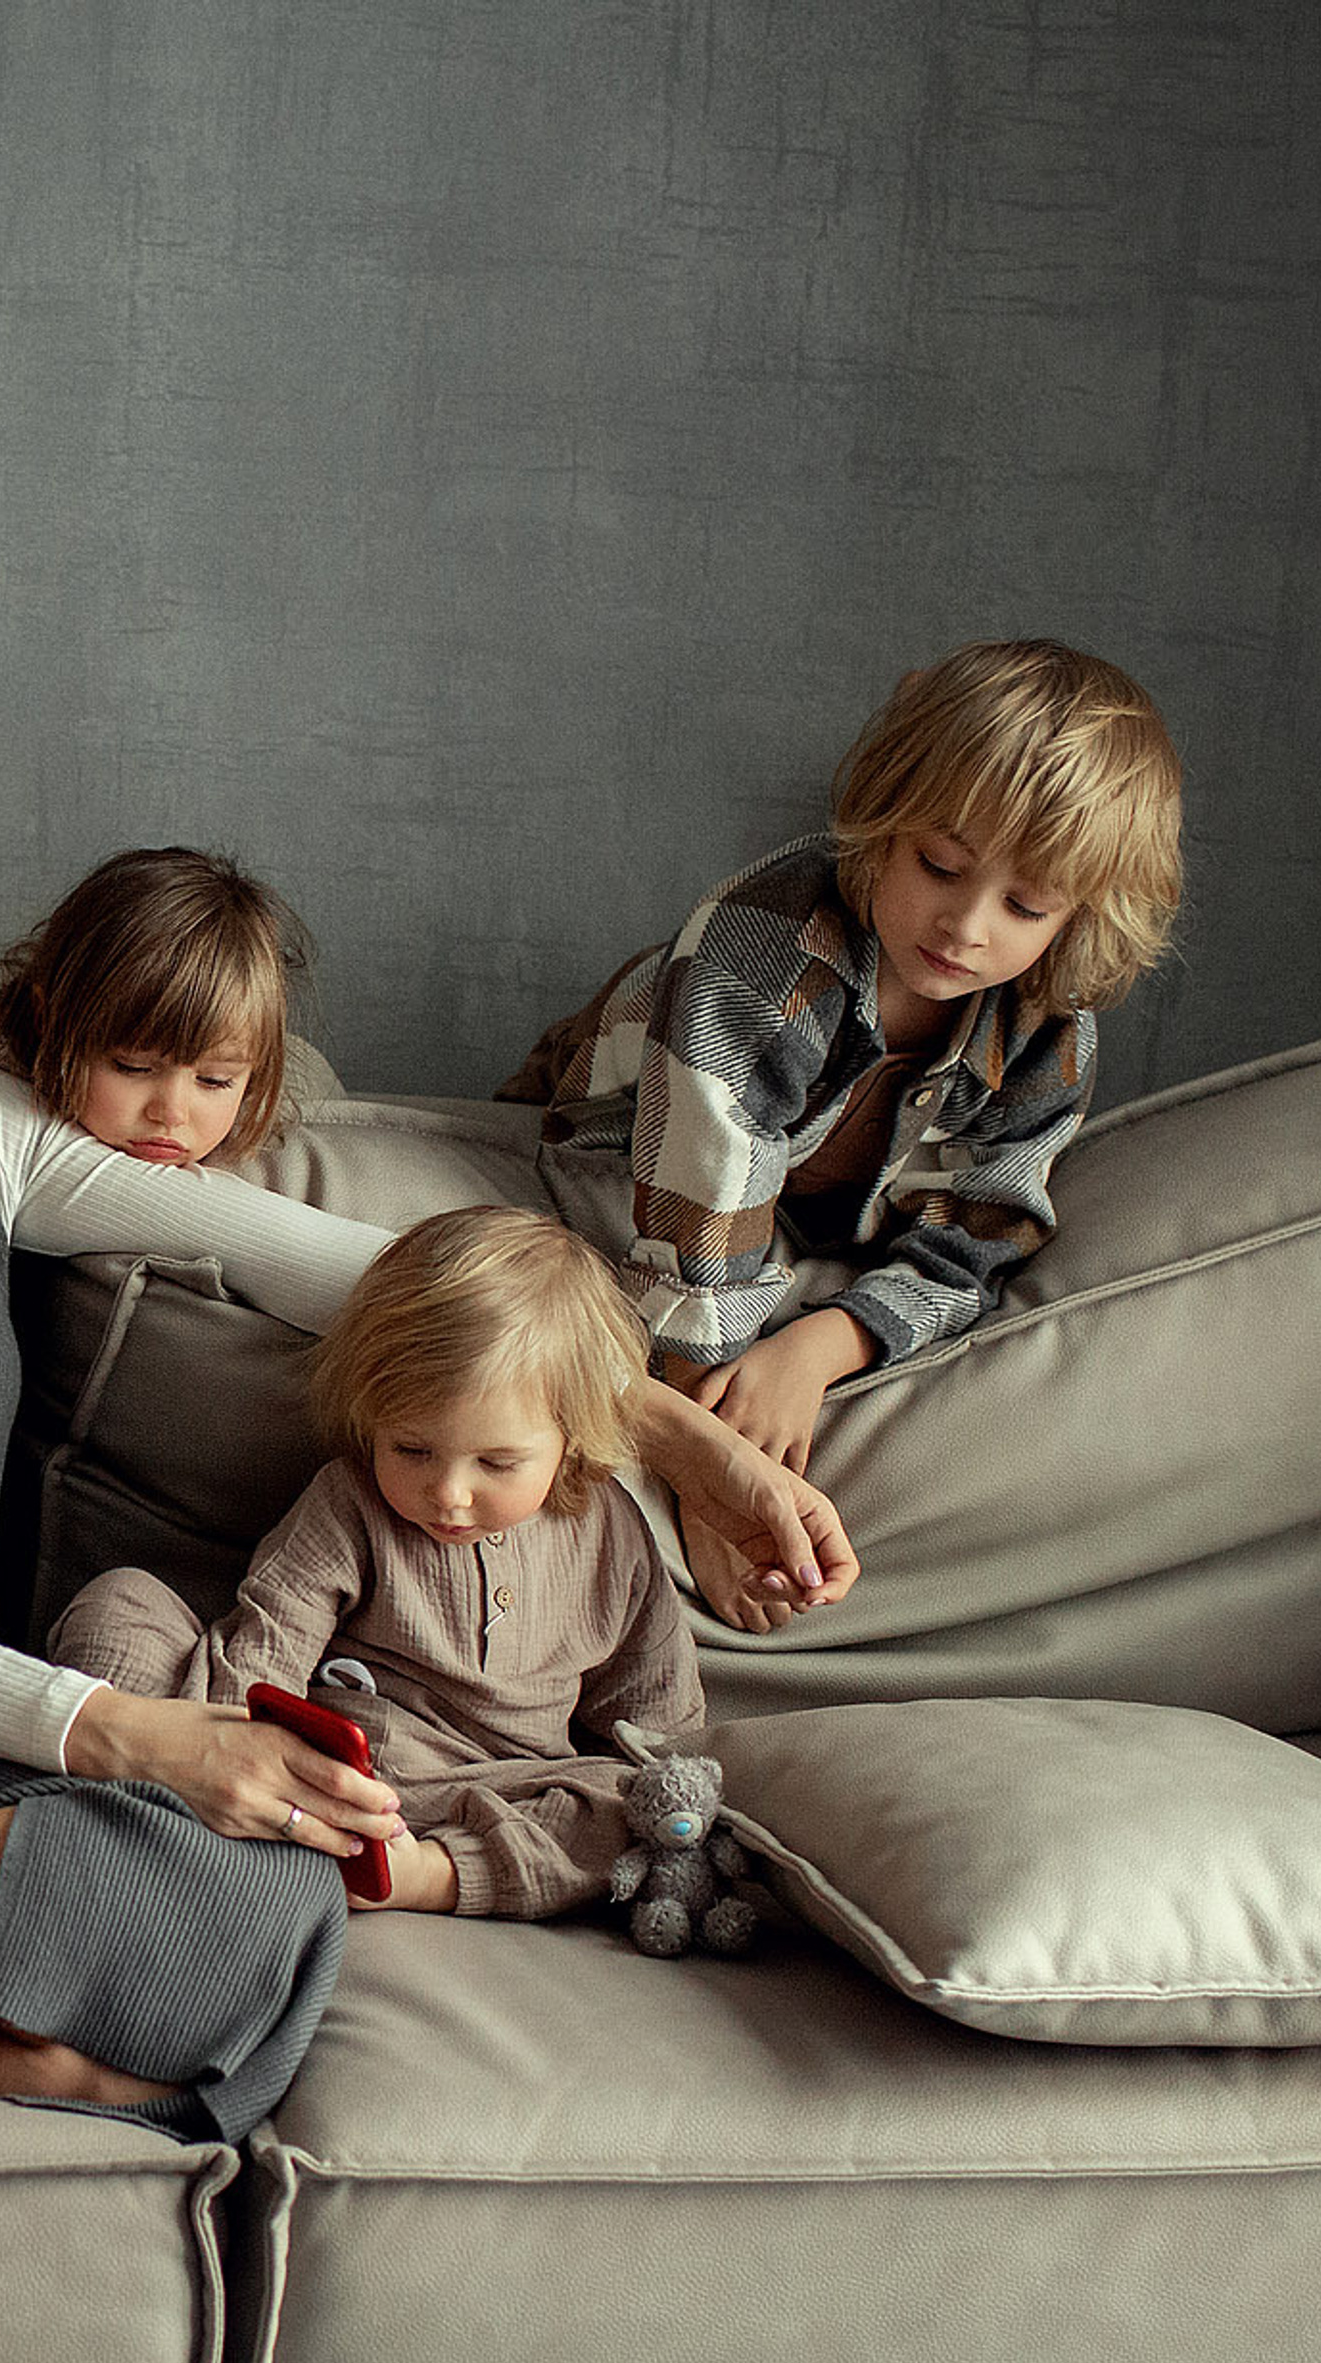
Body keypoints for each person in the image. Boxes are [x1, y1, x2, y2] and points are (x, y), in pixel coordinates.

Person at [0, 676, 856, 2138]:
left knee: (257, 1872)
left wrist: (689, 1446)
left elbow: (368, 1286)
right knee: (192, 1860)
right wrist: (138, 1734)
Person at [500, 638, 1183, 1628]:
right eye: (939, 865)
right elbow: (696, 1209)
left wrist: (821, 1347)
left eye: (1025, 903)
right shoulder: (763, 946)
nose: (965, 925)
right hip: (610, 1146)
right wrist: (714, 1478)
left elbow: (982, 1237)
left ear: (1077, 913)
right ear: (885, 814)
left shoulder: (1047, 1028)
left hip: (804, 1220)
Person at [54, 1207, 701, 1919]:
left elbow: (660, 1725)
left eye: (497, 1462)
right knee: (121, 1604)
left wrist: (665, 1791)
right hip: (323, 1770)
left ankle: (427, 1875)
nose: (449, 1494)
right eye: (412, 1450)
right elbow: (265, 1646)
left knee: (636, 1800)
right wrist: (241, 1755)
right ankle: (186, 1826)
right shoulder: (349, 1501)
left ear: (572, 1439)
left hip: (492, 1795)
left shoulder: (613, 1538)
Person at [0, 843, 342, 1166]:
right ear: (50, 1020)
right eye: (132, 1067)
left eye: (213, 1081)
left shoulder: (283, 1097)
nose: (172, 1112)